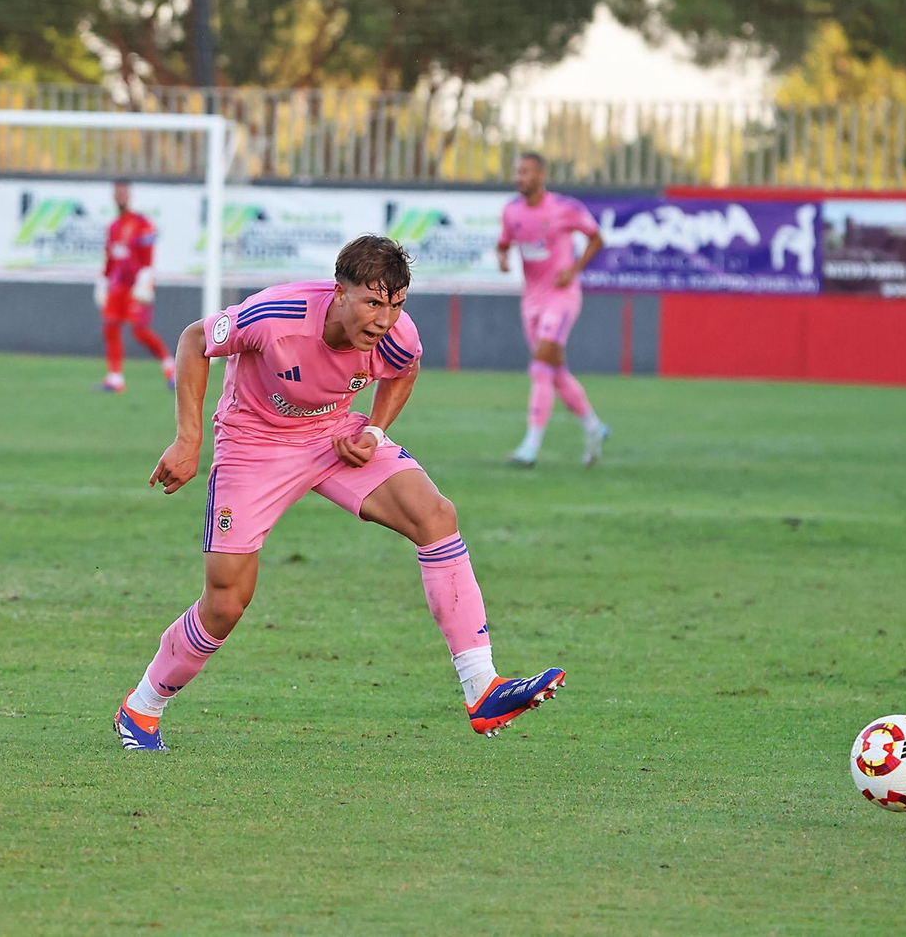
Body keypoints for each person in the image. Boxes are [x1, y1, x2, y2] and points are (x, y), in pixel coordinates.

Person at [113, 235, 565, 751]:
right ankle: (142, 708)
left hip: (333, 436)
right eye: (372, 303)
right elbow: (195, 340)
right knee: (226, 602)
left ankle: (482, 688)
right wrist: (189, 438)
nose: (384, 319)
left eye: (395, 305)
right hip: (253, 445)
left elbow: (403, 370)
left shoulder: (397, 334)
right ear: (339, 293)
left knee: (435, 516)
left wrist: (373, 430)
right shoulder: (275, 314)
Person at [496, 152, 610, 467]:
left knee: (540, 368)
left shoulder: (564, 208)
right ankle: (594, 426)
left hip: (561, 298)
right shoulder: (512, 211)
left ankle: (530, 447)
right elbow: (503, 243)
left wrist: (574, 269)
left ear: (541, 175)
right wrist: (503, 258)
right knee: (555, 373)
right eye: (517, 171)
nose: (520, 177)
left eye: (526, 172)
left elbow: (597, 238)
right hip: (530, 301)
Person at [94, 180, 175, 393]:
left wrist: (146, 280)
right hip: (118, 286)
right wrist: (103, 282)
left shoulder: (141, 223)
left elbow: (148, 255)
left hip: (137, 285)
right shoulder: (113, 227)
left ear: (129, 196)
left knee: (139, 331)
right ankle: (115, 378)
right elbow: (110, 259)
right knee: (110, 326)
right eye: (117, 193)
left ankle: (170, 367)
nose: (120, 197)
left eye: (123, 193)